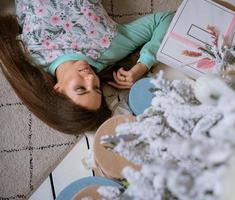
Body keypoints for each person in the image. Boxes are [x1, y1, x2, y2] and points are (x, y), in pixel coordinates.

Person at [0, 0, 174, 134]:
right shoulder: (110, 48)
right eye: (97, 88)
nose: (91, 78)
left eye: (81, 88)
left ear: (58, 90)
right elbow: (166, 19)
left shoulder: (29, 58)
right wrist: (143, 65)